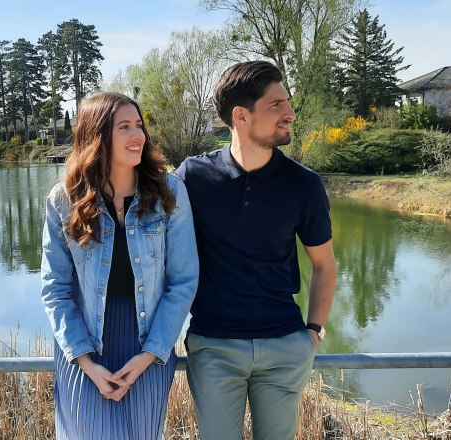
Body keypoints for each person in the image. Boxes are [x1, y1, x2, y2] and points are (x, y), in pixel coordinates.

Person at [176, 60, 337, 440]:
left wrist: (312, 331)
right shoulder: (192, 178)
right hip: (214, 346)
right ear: (241, 116)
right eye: (276, 105)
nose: (291, 114)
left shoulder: (305, 185)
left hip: (284, 346)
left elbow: (324, 265)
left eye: (288, 102)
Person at [41, 92, 198, 439]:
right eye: (124, 127)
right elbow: (55, 290)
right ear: (97, 137)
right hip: (86, 346)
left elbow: (184, 281)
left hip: (148, 342)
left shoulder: (169, 193)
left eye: (139, 125)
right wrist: (86, 363)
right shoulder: (64, 200)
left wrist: (149, 355)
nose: (137, 135)